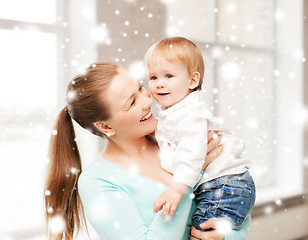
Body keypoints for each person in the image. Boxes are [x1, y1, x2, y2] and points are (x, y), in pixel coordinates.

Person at [44, 62, 250, 240]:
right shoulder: (98, 182)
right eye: (132, 102)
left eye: (140, 88)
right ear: (105, 127)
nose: (148, 101)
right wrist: (188, 179)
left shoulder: (180, 136)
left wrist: (229, 235)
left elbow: (235, 197)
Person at [144, 37, 255, 231]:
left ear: (192, 80)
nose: (159, 84)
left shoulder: (191, 114)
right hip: (225, 185)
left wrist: (176, 191)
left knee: (200, 233)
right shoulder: (175, 111)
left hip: (225, 185)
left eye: (168, 76)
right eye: (153, 77)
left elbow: (192, 156)